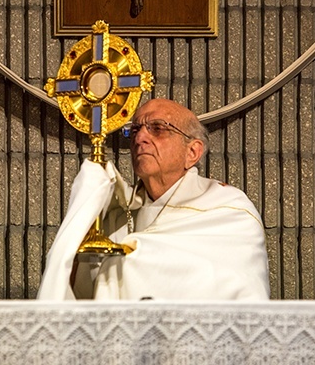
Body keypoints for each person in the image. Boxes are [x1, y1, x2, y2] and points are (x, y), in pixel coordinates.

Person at [37, 98, 270, 300]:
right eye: (135, 130)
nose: (140, 139)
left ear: (192, 152)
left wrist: (131, 258)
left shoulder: (229, 210)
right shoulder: (114, 214)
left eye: (158, 128)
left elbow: (233, 290)